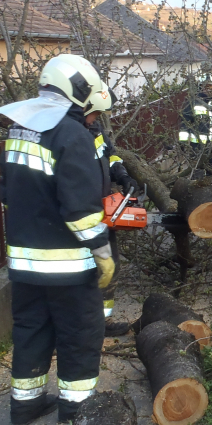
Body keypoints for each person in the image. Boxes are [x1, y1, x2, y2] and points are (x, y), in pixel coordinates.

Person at [0, 53, 115, 425]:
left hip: (24, 265)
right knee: (79, 332)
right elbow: (80, 210)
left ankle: (25, 404)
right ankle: (78, 410)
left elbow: (7, 191)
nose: (94, 119)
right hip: (68, 265)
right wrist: (102, 250)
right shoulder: (72, 135)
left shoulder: (20, 128)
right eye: (93, 111)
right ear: (80, 93)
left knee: (31, 329)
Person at [85, 90, 142, 336]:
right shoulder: (71, 136)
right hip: (82, 213)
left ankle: (102, 321)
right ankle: (84, 322)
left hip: (102, 211)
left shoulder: (95, 131)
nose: (99, 116)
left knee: (111, 267)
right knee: (89, 271)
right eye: (96, 112)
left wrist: (122, 174)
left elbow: (109, 156)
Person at [179, 74, 212, 175]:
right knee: (197, 176)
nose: (207, 89)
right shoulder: (193, 102)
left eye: (210, 87)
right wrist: (183, 143)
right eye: (205, 86)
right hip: (197, 147)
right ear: (200, 86)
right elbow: (185, 123)